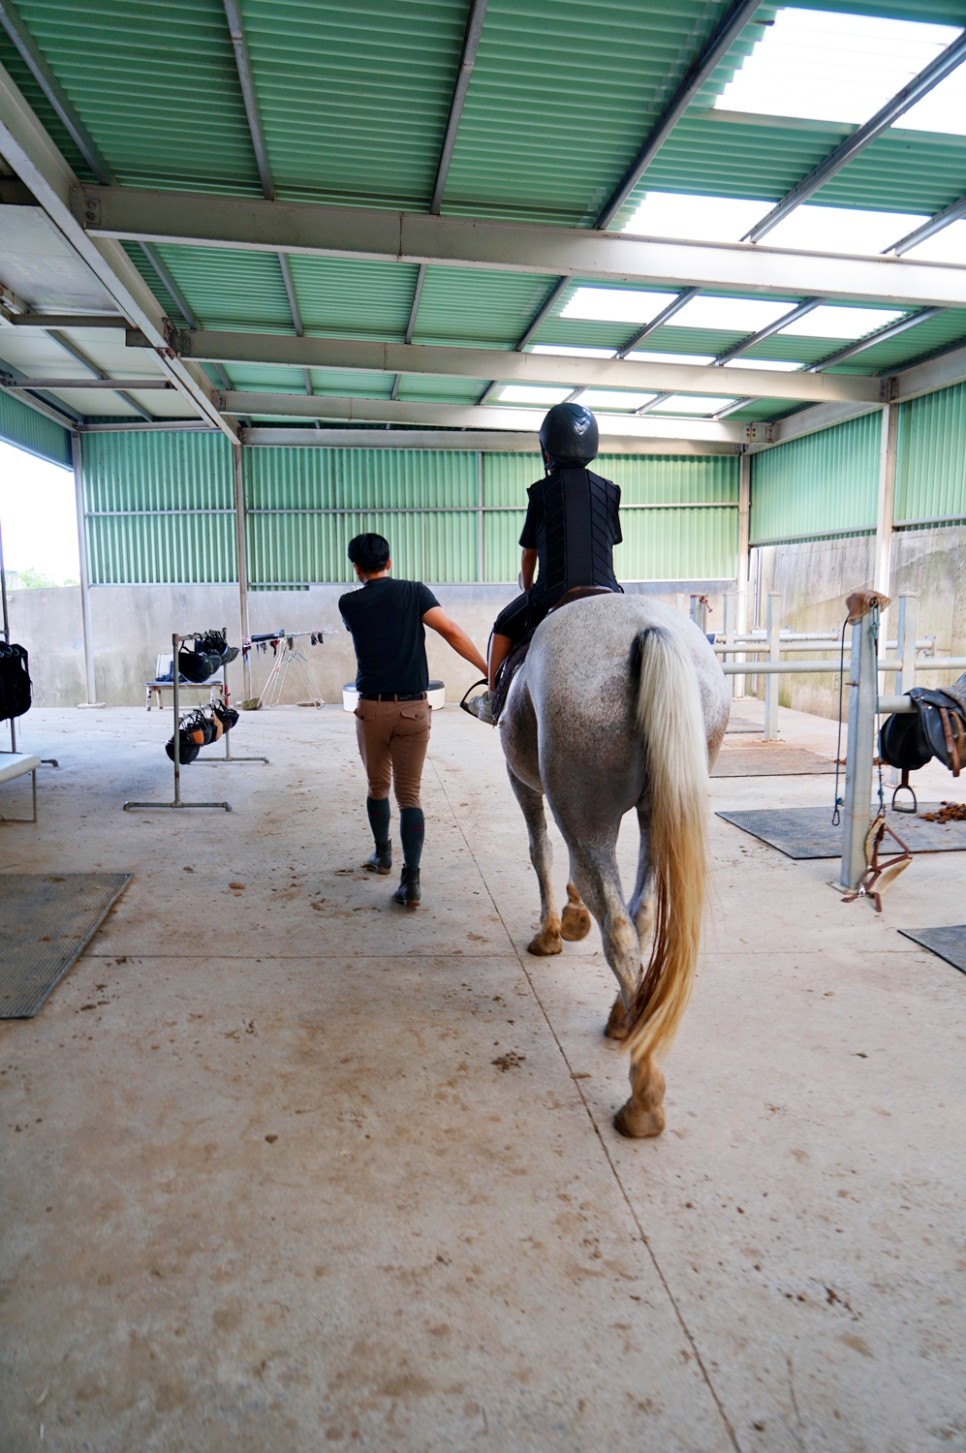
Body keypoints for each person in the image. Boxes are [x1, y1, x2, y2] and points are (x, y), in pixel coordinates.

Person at [339, 533, 488, 909]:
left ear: (356, 567)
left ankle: (382, 855)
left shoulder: (349, 604)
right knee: (410, 797)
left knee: (377, 787)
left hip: (372, 709)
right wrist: (489, 669)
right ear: (390, 561)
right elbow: (451, 631)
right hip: (413, 710)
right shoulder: (415, 592)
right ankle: (412, 881)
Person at [463, 402, 622, 723]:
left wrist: (527, 585)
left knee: (502, 624)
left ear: (547, 450)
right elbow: (611, 541)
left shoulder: (541, 492)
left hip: (555, 590)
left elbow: (529, 553)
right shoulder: (610, 491)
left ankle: (493, 698)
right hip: (609, 590)